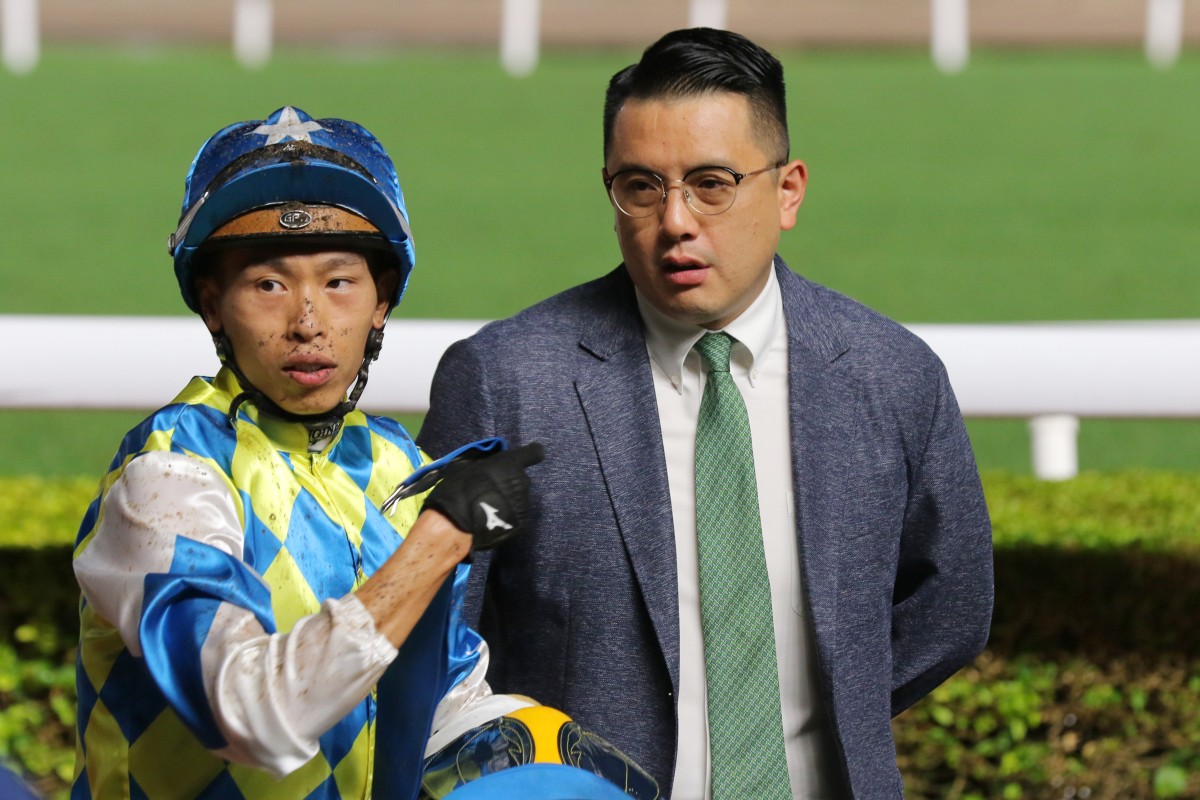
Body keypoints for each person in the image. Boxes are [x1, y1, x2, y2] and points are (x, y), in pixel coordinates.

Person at [418, 28, 994, 799]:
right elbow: (433, 635)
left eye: (713, 183)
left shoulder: (892, 377)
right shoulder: (507, 380)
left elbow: (950, 605)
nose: (677, 221)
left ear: (787, 190)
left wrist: (841, 704)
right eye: (640, 186)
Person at [71, 106, 655, 800]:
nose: (308, 322)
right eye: (269, 284)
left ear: (381, 302)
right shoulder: (164, 477)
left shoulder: (394, 465)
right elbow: (248, 716)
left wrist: (519, 738)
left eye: (338, 282)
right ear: (212, 303)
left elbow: (438, 699)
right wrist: (439, 540)